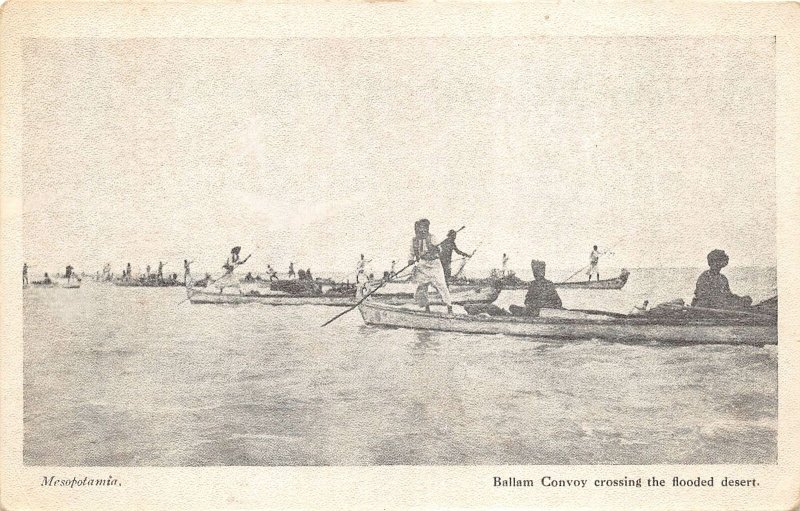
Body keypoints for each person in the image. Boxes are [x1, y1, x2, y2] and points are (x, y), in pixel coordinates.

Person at [408, 219, 453, 313]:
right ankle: (426, 307)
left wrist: (435, 249)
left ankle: (449, 307)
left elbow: (440, 250)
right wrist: (410, 260)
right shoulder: (414, 240)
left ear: (426, 229)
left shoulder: (432, 237)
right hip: (423, 265)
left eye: (423, 228)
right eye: (419, 228)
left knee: (441, 285)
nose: (421, 230)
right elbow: (411, 253)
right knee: (422, 286)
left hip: (434, 265)